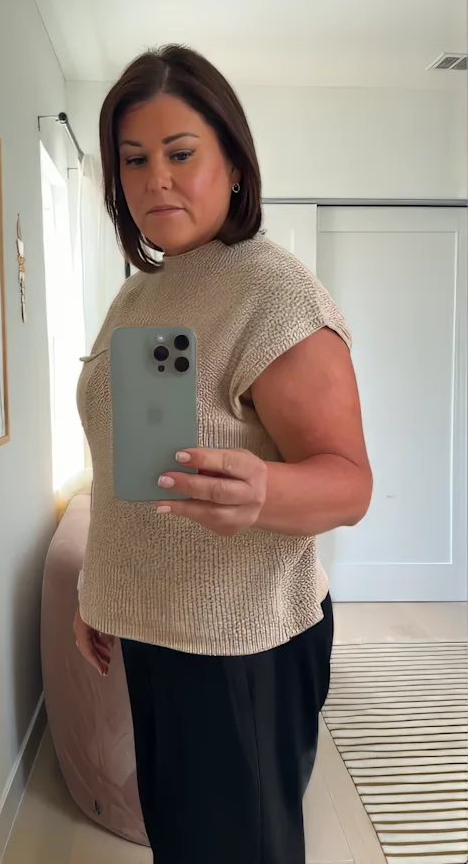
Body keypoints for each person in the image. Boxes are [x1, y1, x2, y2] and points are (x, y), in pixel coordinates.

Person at [74, 44, 372, 864]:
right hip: (155, 628)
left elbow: (351, 483)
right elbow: (121, 465)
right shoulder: (137, 294)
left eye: (180, 153)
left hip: (241, 640)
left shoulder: (273, 290)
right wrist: (101, 585)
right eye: (134, 159)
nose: (155, 180)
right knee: (181, 843)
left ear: (234, 165)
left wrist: (263, 490)